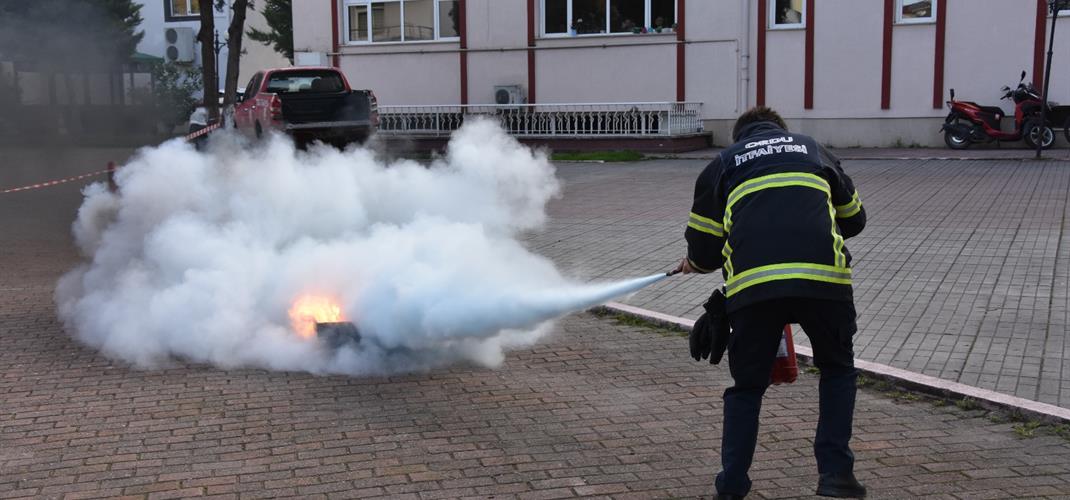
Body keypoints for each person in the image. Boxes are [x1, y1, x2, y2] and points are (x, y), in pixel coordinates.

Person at [675, 106, 867, 499]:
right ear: (780, 130)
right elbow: (854, 219)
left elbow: (706, 250)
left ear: (740, 137)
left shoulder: (724, 163)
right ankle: (836, 476)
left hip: (755, 289)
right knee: (837, 370)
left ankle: (732, 485)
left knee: (747, 386)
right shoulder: (813, 149)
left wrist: (695, 263)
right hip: (824, 282)